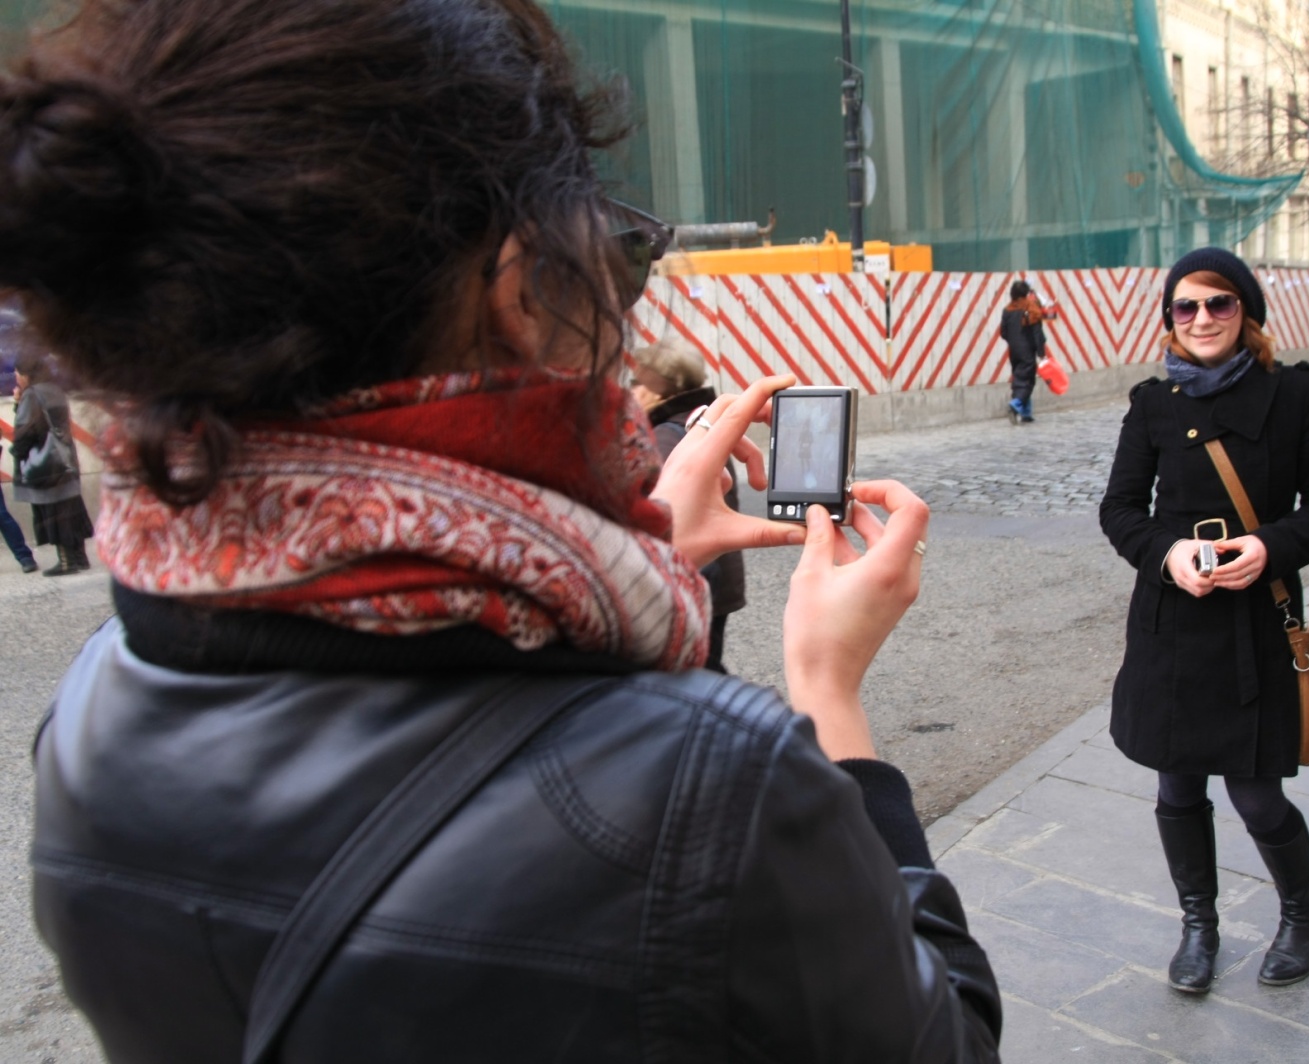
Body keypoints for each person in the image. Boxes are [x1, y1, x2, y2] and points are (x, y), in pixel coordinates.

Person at [8, 2, 1002, 1061]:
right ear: (527, 290)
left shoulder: (92, 706)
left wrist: (658, 551)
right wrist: (826, 690)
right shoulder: (709, 785)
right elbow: (948, 1037)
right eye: (618, 258)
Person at [1099, 247, 1309, 995]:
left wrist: (1271, 546)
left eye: (1219, 303)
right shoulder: (1152, 404)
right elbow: (1119, 510)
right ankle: (1198, 926)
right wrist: (1168, 553)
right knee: (1177, 789)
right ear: (1170, 319)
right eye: (1187, 306)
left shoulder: (1296, 394)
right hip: (1172, 626)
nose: (1202, 318)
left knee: (1257, 794)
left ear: (1246, 313)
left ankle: (1302, 917)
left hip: (1256, 623)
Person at [631, 338, 745, 673]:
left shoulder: (666, 436)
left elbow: (657, 514)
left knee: (696, 673)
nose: (630, 391)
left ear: (656, 391)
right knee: (706, 666)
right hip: (715, 573)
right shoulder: (697, 424)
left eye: (636, 382)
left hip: (694, 574)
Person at [11, 347, 91, 575]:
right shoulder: (55, 389)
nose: (16, 377)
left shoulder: (33, 394)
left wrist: (17, 451)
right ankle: (80, 557)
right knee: (71, 509)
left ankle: (66, 562)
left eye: (18, 372)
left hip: (44, 464)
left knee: (53, 512)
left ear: (26, 373)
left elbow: (27, 430)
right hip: (65, 459)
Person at [997, 279, 1051, 423]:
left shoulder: (1007, 310)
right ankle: (1016, 404)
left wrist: (1013, 341)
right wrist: (1041, 352)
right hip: (1027, 350)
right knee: (1027, 381)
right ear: (1026, 294)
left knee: (1018, 377)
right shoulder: (1031, 309)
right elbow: (1037, 332)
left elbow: (1003, 332)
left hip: (1013, 351)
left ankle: (1026, 413)